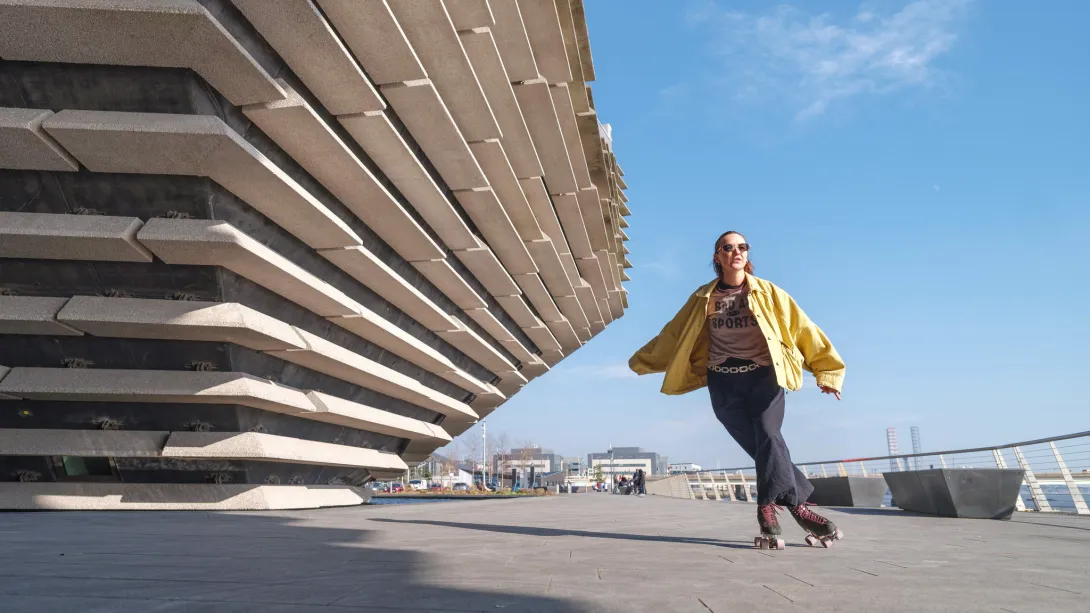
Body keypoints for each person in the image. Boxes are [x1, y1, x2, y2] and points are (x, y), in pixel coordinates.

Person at [629, 230, 845, 546]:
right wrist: (642, 362)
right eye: (728, 248)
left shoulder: (770, 294)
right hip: (722, 381)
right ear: (717, 257)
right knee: (761, 448)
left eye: (742, 247)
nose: (736, 252)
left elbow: (804, 330)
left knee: (769, 435)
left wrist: (827, 371)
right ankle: (800, 509)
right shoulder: (703, 298)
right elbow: (673, 334)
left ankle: (766, 507)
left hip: (764, 377)